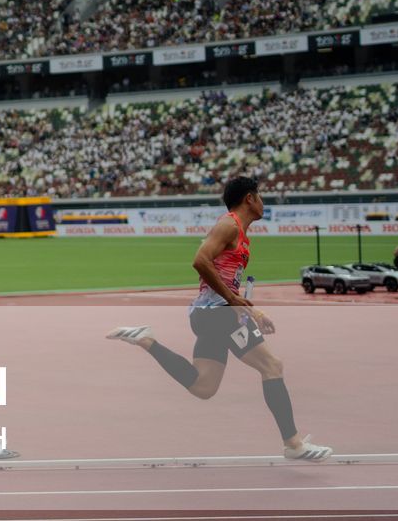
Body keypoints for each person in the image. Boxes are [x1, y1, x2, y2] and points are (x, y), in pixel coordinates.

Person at [106, 175, 332, 460]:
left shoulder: (239, 231)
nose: (263, 202)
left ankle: (147, 340)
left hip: (210, 315)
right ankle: (294, 444)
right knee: (272, 366)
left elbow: (230, 285)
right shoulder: (228, 225)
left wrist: (250, 309)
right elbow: (199, 260)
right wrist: (233, 300)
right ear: (249, 198)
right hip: (218, 314)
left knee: (203, 387)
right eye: (260, 196)